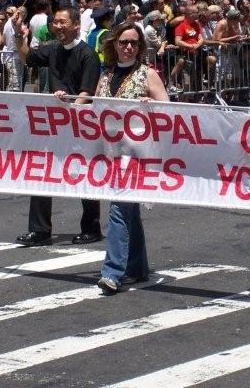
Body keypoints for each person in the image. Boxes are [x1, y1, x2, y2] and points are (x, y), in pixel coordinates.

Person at [12, 7, 103, 246]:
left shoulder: (88, 55)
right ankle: (39, 230)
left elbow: (87, 92)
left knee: (83, 174)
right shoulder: (52, 48)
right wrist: (17, 34)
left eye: (64, 23)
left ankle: (91, 228)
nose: (59, 27)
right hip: (54, 124)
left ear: (76, 25)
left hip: (79, 123)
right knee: (42, 172)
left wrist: (71, 108)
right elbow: (27, 57)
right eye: (56, 23)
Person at [96, 22, 169, 295]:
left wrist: (154, 108)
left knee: (119, 208)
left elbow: (169, 107)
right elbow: (94, 110)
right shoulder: (106, 76)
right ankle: (136, 267)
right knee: (128, 209)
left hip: (138, 155)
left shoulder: (147, 74)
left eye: (134, 43)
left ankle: (112, 271)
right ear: (114, 44)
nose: (128, 47)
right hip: (112, 153)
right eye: (124, 42)